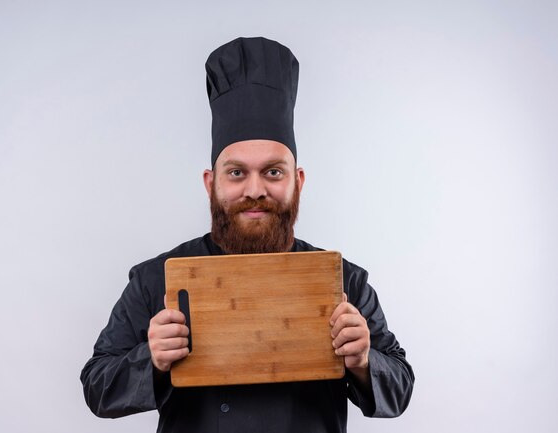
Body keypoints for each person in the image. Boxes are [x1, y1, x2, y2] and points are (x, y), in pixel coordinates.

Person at [81, 36, 414, 433]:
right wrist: (150, 357)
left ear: (298, 182)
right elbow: (96, 386)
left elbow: (400, 386)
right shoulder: (158, 279)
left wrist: (362, 361)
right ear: (211, 183)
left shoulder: (344, 281)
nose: (255, 189)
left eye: (273, 171)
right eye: (237, 172)